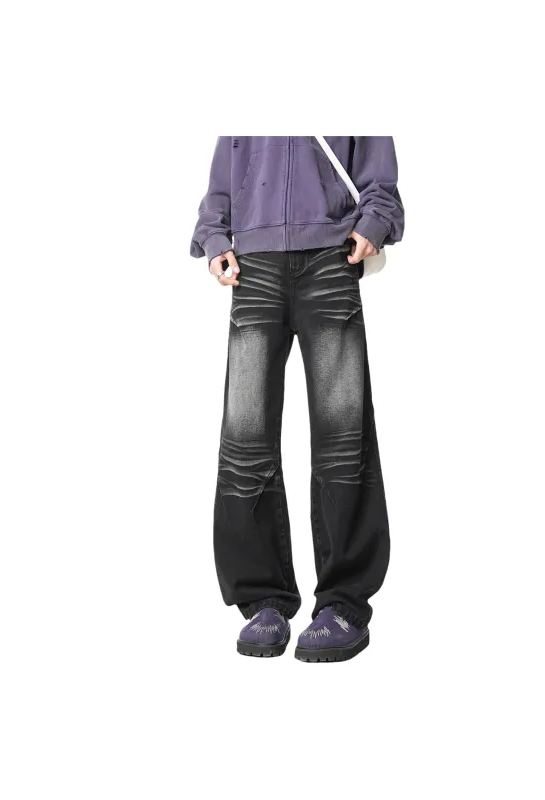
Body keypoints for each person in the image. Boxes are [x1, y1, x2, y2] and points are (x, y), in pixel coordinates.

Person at [190, 137, 404, 662]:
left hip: (331, 254)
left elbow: (378, 168)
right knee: (245, 436)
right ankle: (263, 600)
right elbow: (225, 167)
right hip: (254, 263)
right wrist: (215, 236)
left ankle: (343, 604)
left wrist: (374, 222)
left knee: (343, 436)